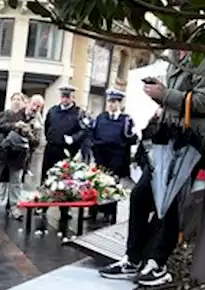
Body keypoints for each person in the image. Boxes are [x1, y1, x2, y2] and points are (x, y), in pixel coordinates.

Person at [100, 51, 205, 287]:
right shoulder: (177, 59)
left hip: (189, 143)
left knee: (166, 202)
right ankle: (135, 258)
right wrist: (162, 100)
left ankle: (158, 263)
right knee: (142, 196)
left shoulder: (204, 59)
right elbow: (184, 100)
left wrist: (165, 94)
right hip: (170, 140)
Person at [40, 85, 88, 233]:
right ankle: (43, 206)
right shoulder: (53, 110)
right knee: (47, 178)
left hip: (67, 151)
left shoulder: (79, 113)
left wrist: (73, 139)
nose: (65, 99)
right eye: (63, 96)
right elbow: (47, 126)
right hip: (52, 148)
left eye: (68, 96)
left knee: (65, 181)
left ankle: (64, 210)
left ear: (72, 97)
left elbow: (84, 129)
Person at [88, 89, 137, 223]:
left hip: (116, 159)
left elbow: (132, 138)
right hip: (101, 157)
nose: (111, 104)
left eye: (114, 102)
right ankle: (93, 211)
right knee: (97, 183)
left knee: (111, 186)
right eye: (110, 101)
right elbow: (92, 134)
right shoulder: (101, 118)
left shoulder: (126, 120)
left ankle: (109, 213)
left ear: (120, 103)